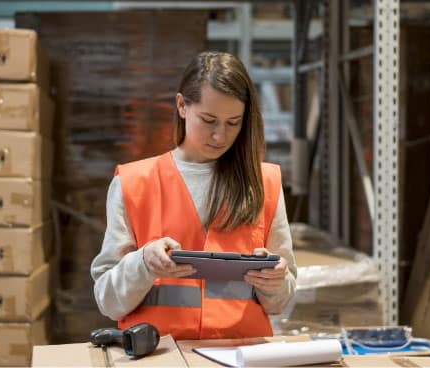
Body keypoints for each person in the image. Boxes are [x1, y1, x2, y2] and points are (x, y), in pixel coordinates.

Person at [91, 51, 297, 340]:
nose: (220, 136)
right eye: (209, 120)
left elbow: (281, 302)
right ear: (181, 106)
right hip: (160, 357)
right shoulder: (134, 183)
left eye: (233, 122)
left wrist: (274, 282)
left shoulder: (265, 183)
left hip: (241, 355)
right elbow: (108, 302)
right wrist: (143, 264)